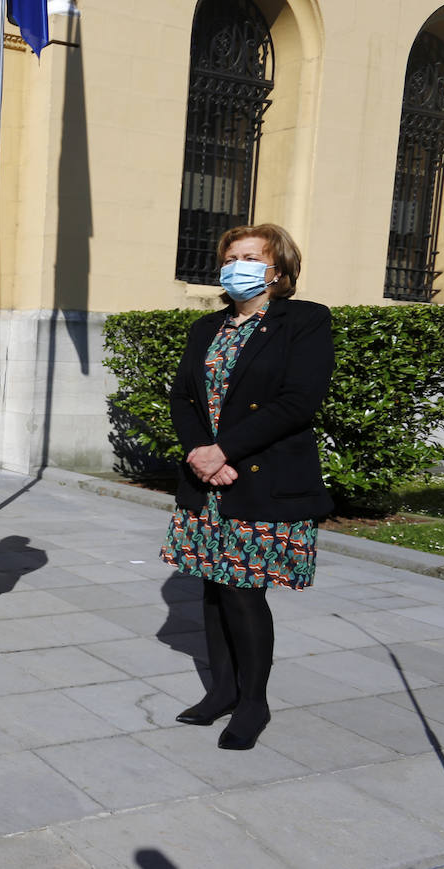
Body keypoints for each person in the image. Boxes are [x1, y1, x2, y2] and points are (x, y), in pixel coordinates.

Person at [162, 222, 334, 751]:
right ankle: (222, 691)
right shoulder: (206, 329)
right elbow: (184, 399)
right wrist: (200, 453)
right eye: (231, 256)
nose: (236, 264)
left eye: (250, 256)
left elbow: (296, 402)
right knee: (212, 587)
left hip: (261, 478)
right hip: (207, 480)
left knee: (243, 592)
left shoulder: (303, 321)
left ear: (276, 269)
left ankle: (253, 701)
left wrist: (224, 452)